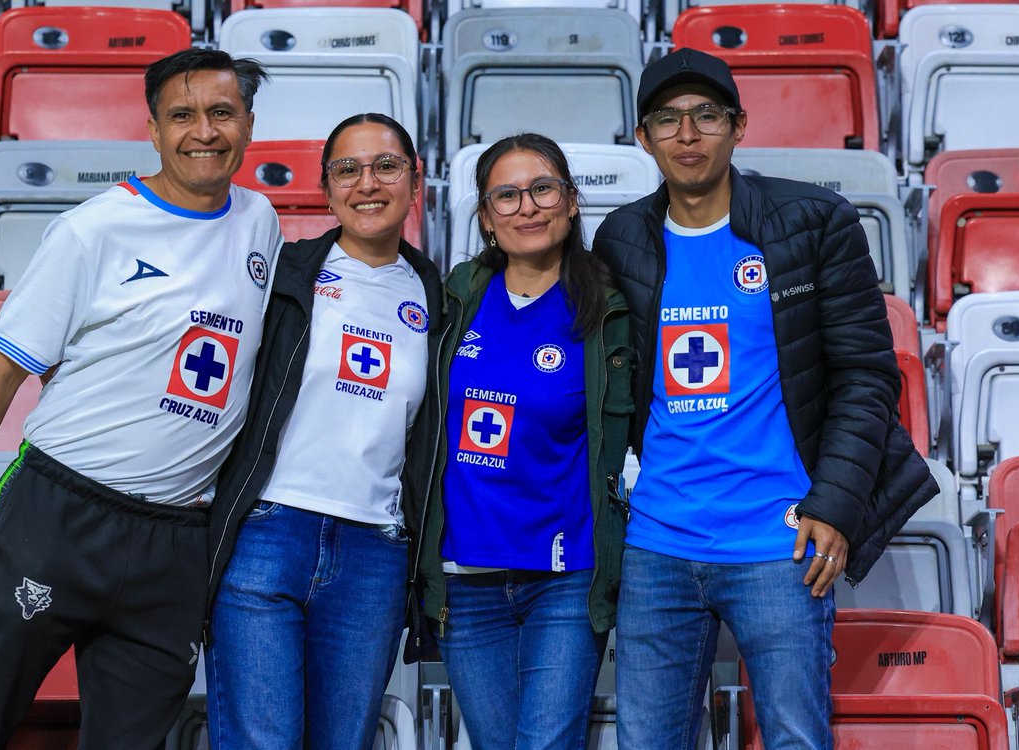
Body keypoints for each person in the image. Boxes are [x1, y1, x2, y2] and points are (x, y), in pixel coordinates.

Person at [0, 48, 280, 749]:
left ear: (249, 124)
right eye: (182, 115)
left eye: (222, 113)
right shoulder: (92, 230)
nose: (204, 131)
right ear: (152, 129)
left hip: (176, 539)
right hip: (60, 516)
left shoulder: (258, 220)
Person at [592, 48, 938, 748]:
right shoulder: (622, 237)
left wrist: (835, 509)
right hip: (657, 543)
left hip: (779, 543)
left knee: (793, 739)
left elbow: (868, 376)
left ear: (738, 126)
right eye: (667, 120)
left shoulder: (813, 222)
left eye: (706, 116)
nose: (687, 135)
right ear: (643, 138)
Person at [204, 113, 442, 749]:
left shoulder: (440, 298)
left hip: (374, 553)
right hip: (267, 536)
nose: (368, 183)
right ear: (328, 186)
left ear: (415, 181)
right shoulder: (281, 277)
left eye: (386, 166)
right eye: (348, 169)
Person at [415, 133, 634, 750]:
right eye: (505, 196)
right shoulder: (454, 298)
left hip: (564, 575)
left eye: (542, 189)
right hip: (464, 576)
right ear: (485, 217)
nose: (527, 207)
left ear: (569, 203)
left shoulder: (609, 308)